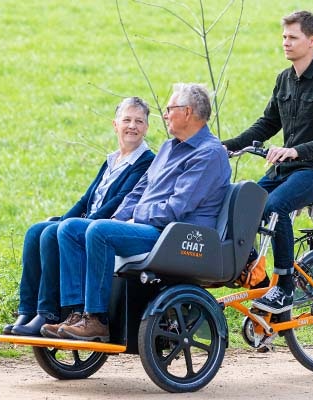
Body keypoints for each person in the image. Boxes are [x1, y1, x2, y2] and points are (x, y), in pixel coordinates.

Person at [42, 83, 232, 341]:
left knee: (99, 231)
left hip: (174, 235)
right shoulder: (167, 148)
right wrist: (119, 218)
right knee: (71, 228)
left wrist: (135, 217)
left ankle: (96, 319)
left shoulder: (209, 154)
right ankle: (76, 313)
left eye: (169, 109)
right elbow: (138, 190)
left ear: (187, 112)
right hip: (150, 227)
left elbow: (177, 208)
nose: (165, 115)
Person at [223, 11, 313, 314]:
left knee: (275, 206)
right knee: (237, 204)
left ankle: (285, 289)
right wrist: (225, 146)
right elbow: (266, 124)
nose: (286, 43)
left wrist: (296, 151)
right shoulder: (284, 80)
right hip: (285, 171)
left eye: (292, 37)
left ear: (312, 40)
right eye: (284, 37)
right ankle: (257, 279)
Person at [4, 97, 155, 336]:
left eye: (139, 121)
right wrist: (64, 219)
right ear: (115, 124)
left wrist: (80, 223)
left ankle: (51, 312)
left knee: (57, 231)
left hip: (110, 225)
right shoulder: (111, 160)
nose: (132, 126)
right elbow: (86, 199)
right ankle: (28, 310)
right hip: (88, 220)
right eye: (126, 120)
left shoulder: (146, 162)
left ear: (146, 127)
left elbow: (120, 202)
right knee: (38, 231)